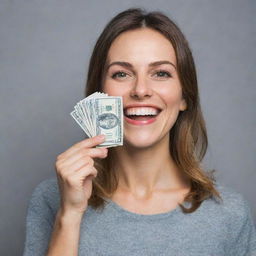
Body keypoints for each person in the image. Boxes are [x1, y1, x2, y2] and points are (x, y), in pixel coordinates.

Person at [23, 8, 256, 256]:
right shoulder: (52, 199)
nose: (141, 89)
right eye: (121, 74)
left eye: (161, 73)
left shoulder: (230, 213)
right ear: (99, 95)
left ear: (184, 97)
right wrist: (69, 215)